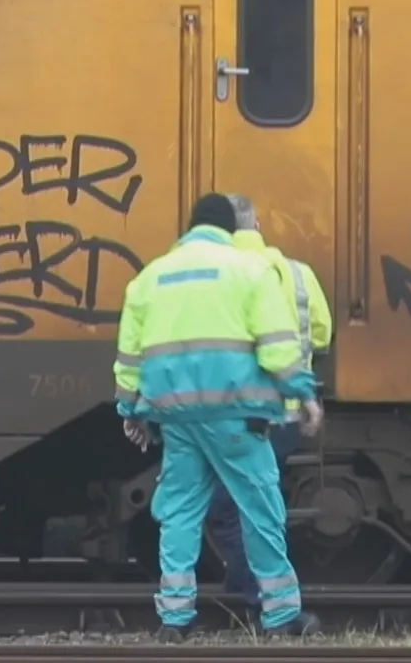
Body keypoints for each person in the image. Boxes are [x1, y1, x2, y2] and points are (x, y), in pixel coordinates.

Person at [113, 193, 324, 641]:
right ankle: (281, 616)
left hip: (177, 418)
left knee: (180, 513)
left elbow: (130, 356)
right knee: (259, 507)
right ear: (231, 230)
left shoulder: (150, 278)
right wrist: (302, 393)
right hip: (236, 416)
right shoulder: (250, 271)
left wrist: (129, 408)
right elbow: (277, 346)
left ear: (190, 228)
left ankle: (174, 620)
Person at [205, 194, 333, 624]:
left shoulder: (214, 274)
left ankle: (257, 594)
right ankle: (260, 593)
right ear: (258, 227)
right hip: (287, 414)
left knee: (227, 508)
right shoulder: (297, 274)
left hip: (229, 412)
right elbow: (321, 334)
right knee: (259, 504)